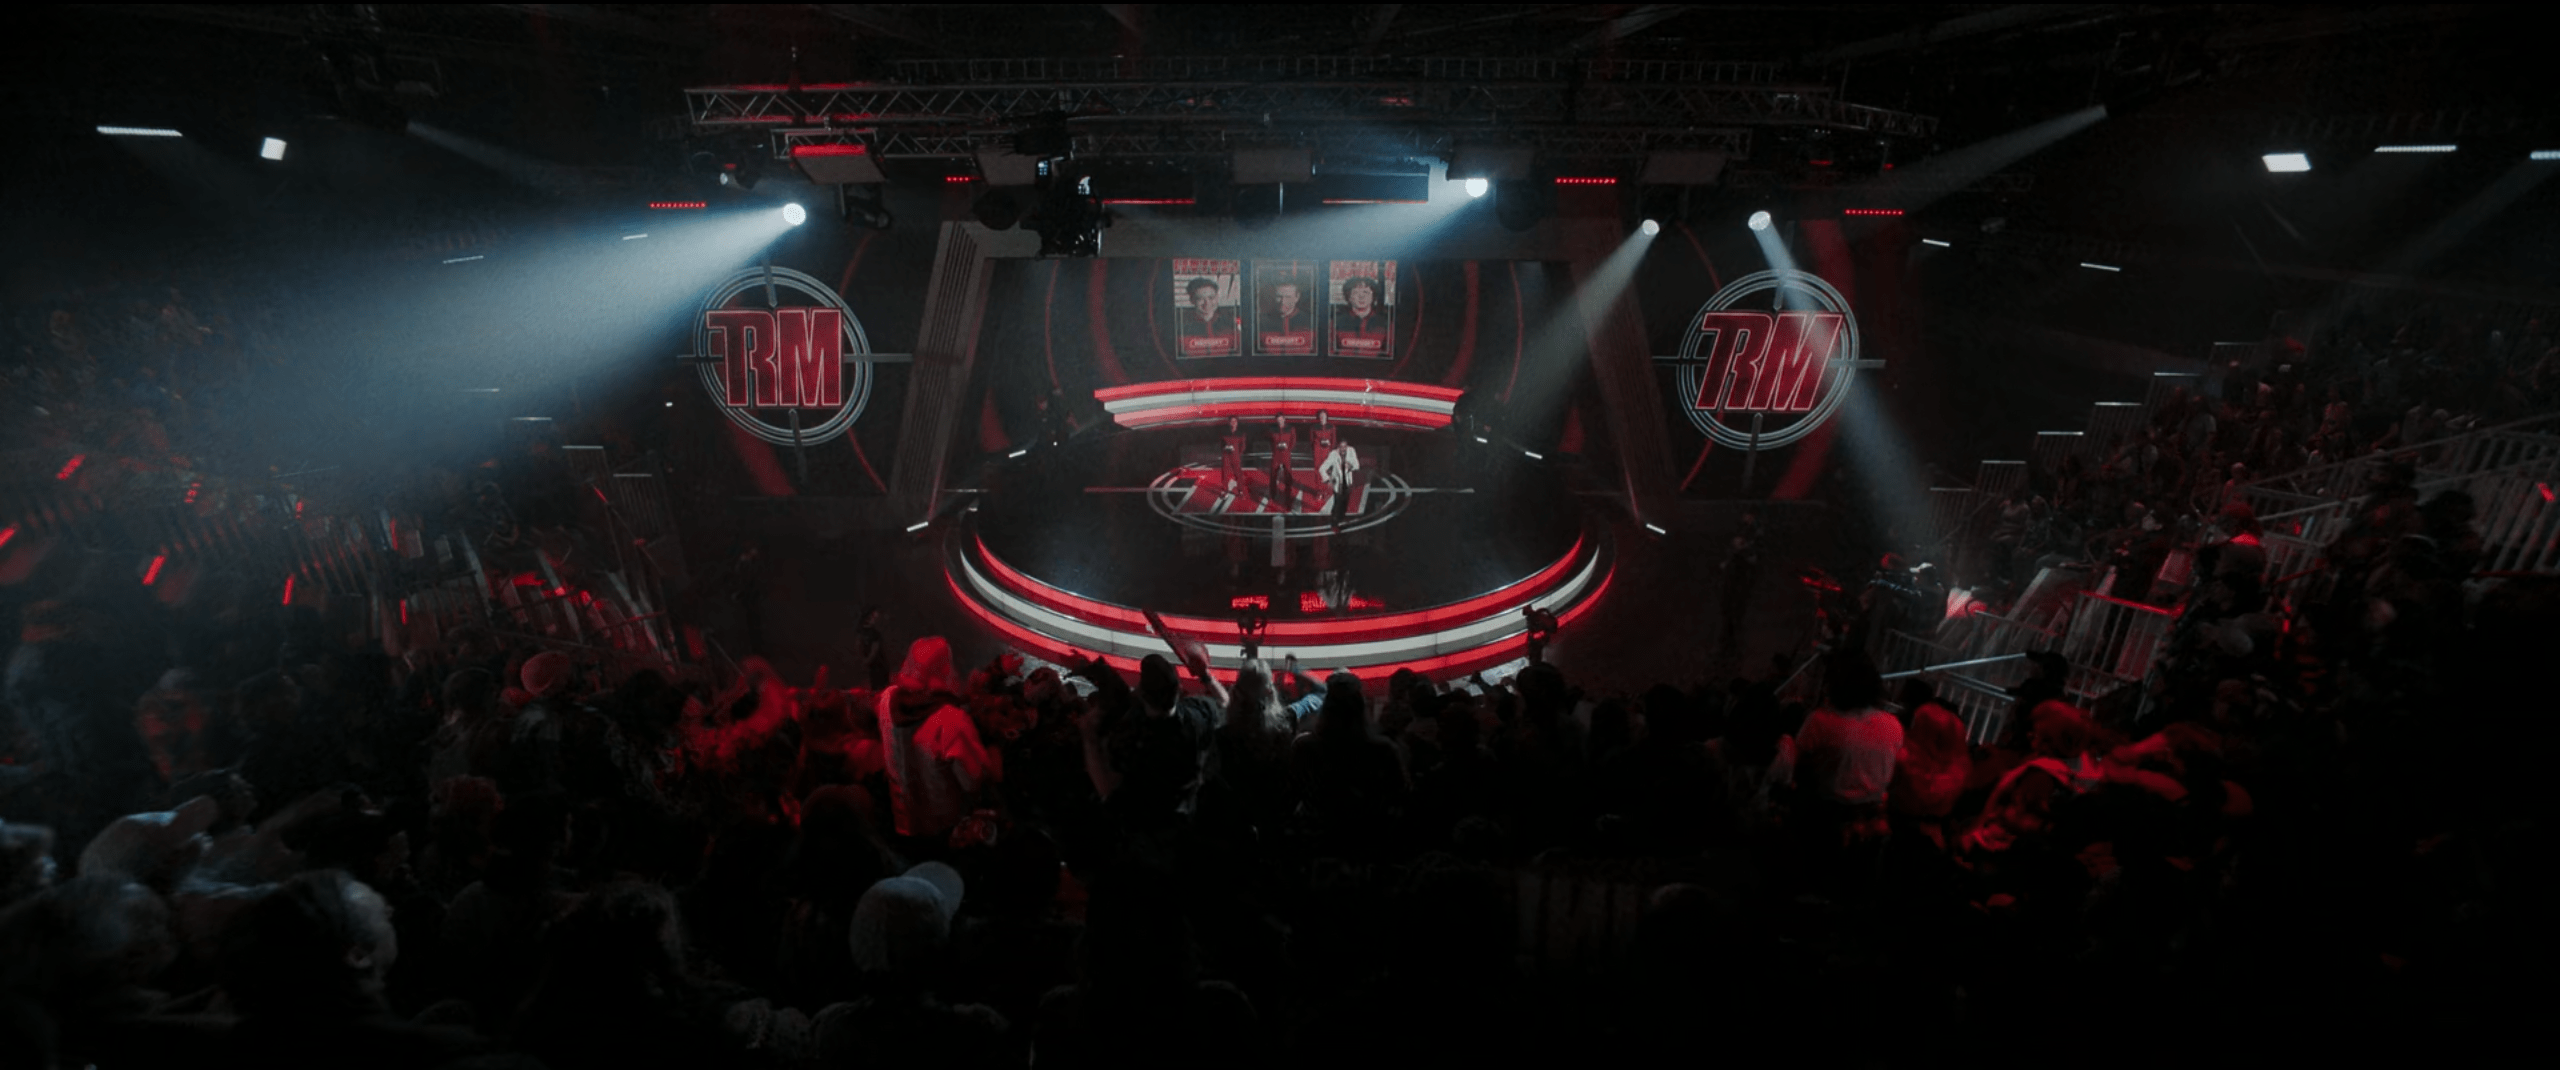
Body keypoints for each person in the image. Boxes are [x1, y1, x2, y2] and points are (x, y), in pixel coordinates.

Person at [876, 637, 996, 857]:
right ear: (945, 670)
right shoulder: (951, 721)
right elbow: (973, 781)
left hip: (902, 828)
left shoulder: (886, 701)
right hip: (945, 834)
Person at [1793, 652, 1901, 842]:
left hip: (1823, 818)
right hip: (1872, 823)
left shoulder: (1821, 721)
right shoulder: (1892, 725)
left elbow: (1797, 764)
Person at [1178, 276, 1240, 357]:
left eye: (1211, 297)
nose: (1207, 303)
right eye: (1200, 299)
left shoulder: (1231, 325)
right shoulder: (1181, 328)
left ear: (1217, 298)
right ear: (1192, 300)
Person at [1331, 276, 1390, 356]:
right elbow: (1331, 353)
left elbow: (1390, 353)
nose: (1361, 296)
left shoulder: (1386, 323)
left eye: (1366, 292)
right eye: (1356, 292)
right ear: (1349, 297)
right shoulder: (1335, 322)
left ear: (1373, 296)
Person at [1259, 278, 1316, 354]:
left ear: (1297, 297)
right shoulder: (1262, 322)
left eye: (1288, 297)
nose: (1283, 301)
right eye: (1279, 297)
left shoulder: (1311, 321)